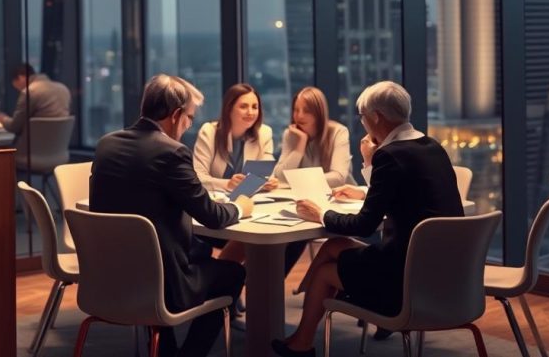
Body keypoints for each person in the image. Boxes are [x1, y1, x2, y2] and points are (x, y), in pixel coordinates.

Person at [270, 81, 463, 357]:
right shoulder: (432, 146)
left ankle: (302, 344)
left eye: (363, 117)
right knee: (332, 247)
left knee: (326, 272)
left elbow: (364, 225)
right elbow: (403, 193)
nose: (363, 124)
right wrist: (371, 170)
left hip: (405, 278)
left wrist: (321, 213)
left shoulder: (390, 155)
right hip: (443, 272)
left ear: (376, 117)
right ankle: (302, 331)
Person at [90, 74, 253, 357]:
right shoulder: (172, 152)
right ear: (176, 115)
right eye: (189, 117)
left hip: (110, 276)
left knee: (192, 254)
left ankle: (165, 349)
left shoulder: (107, 144)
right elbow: (212, 216)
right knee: (232, 273)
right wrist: (240, 207)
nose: (189, 125)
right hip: (163, 283)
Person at [273, 86, 353, 273]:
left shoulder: (338, 132)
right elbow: (280, 176)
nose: (299, 115)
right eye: (296, 109)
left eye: (306, 110)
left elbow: (339, 176)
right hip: (306, 203)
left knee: (296, 236)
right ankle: (268, 291)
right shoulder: (291, 135)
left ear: (319, 113)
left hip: (339, 202)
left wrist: (300, 180)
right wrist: (299, 145)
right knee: (292, 236)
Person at [192, 83, 278, 193]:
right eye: (243, 106)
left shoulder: (264, 132)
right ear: (229, 109)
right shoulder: (209, 132)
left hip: (249, 200)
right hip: (215, 201)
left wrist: (269, 181)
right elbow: (198, 177)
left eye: (255, 107)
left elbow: (265, 174)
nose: (250, 112)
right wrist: (227, 184)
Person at [0, 63, 70, 135]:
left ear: (20, 78)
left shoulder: (30, 92)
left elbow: (15, 127)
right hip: (58, 149)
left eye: (17, 87)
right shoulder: (63, 89)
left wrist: (1, 118)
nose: (19, 90)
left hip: (33, 147)